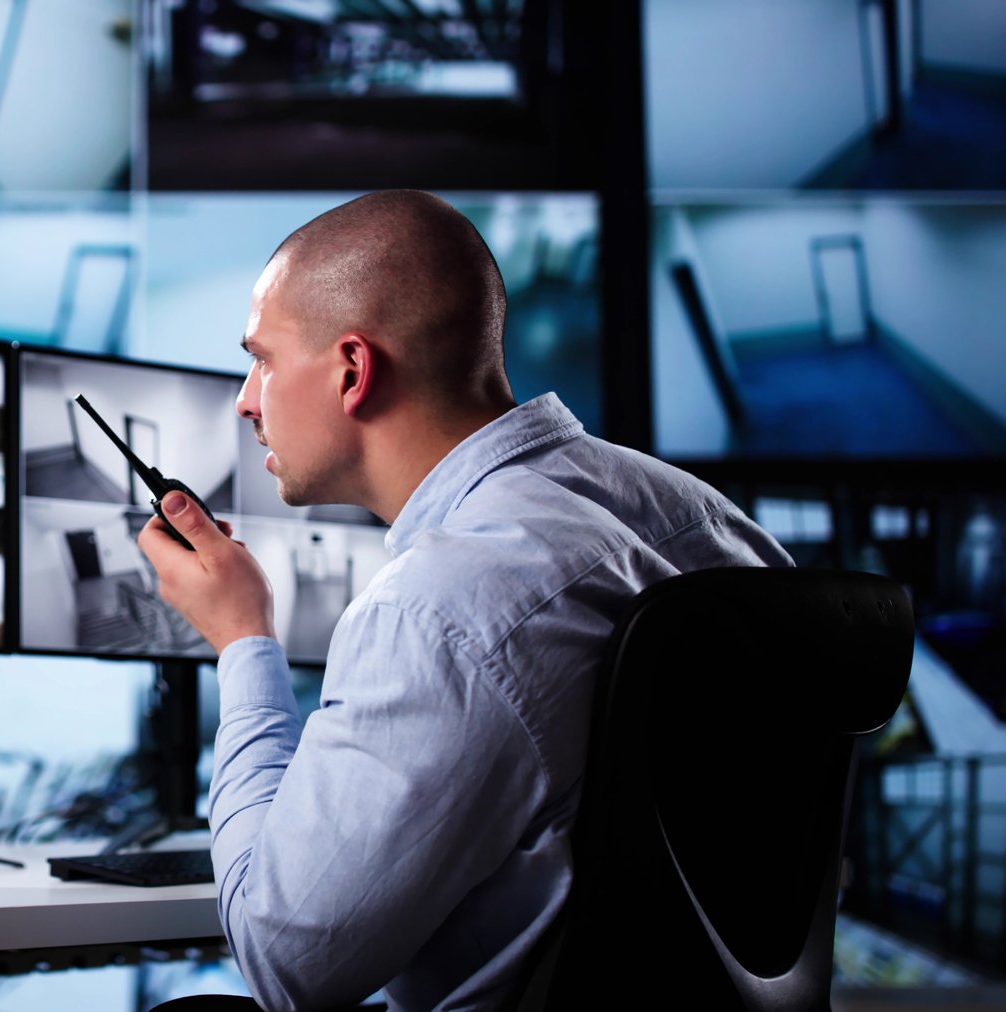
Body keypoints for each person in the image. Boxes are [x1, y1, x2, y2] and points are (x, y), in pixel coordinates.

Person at [137, 191, 791, 1011]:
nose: (245, 399)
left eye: (263, 359)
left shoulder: (437, 611)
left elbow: (284, 962)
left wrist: (241, 638)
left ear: (352, 370)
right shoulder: (704, 517)